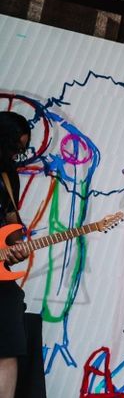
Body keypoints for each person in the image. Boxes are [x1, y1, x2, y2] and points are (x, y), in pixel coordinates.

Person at [0, 112, 33, 398]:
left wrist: (17, 245)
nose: (17, 154)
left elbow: (11, 220)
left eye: (21, 150)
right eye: (14, 147)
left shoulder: (7, 175)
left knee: (9, 345)